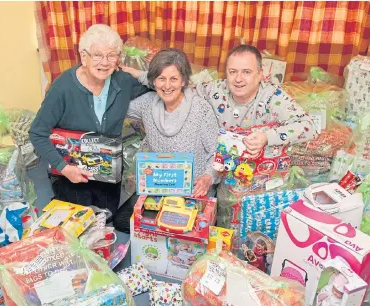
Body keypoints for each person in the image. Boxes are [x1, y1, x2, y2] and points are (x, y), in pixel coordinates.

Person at [29, 24, 150, 214]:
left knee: (106, 219)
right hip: (72, 171)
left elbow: (161, 83)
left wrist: (139, 74)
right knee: (77, 222)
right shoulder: (62, 88)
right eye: (98, 55)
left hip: (107, 170)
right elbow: (37, 133)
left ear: (118, 59)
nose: (105, 62)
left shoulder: (123, 81)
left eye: (111, 55)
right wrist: (63, 168)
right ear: (84, 57)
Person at [122, 44, 318, 156]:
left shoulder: (273, 98)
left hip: (255, 172)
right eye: (233, 72)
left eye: (246, 72)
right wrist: (137, 74)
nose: (238, 79)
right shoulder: (216, 90)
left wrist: (267, 137)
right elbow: (174, 84)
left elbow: (309, 126)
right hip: (219, 167)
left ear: (260, 74)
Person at [112, 49, 219, 232]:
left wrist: (208, 177)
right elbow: (116, 109)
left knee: (188, 230)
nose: (167, 85)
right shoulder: (147, 103)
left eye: (174, 79)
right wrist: (111, 76)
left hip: (192, 189)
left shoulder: (201, 110)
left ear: (184, 81)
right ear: (153, 81)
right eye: (161, 79)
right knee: (122, 221)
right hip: (158, 185)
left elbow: (217, 151)